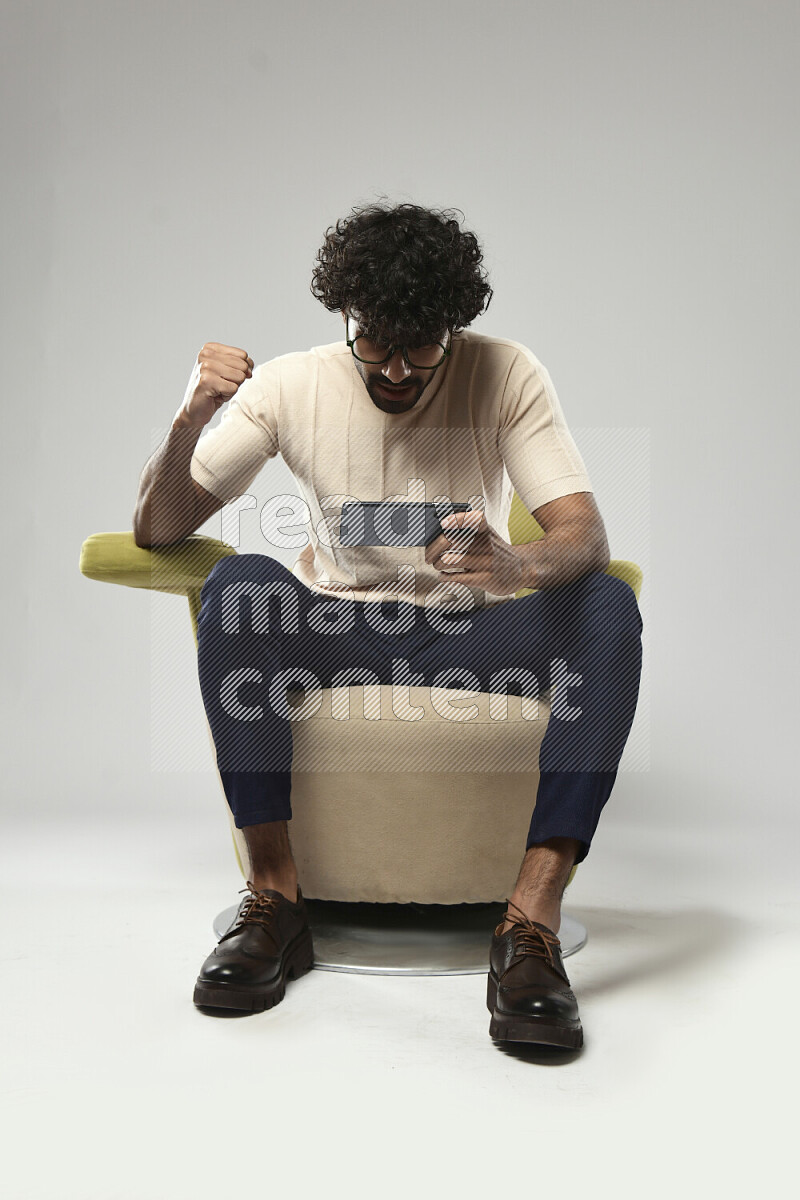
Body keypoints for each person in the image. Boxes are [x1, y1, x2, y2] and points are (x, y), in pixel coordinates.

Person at [133, 201, 643, 1049]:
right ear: (346, 316)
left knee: (605, 604)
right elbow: (159, 527)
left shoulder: (506, 372)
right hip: (337, 628)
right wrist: (190, 418)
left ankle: (530, 924)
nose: (399, 370)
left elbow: (585, 536)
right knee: (237, 584)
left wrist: (515, 566)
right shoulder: (291, 384)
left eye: (423, 346)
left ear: (454, 325)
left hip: (469, 634)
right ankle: (276, 900)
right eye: (376, 341)